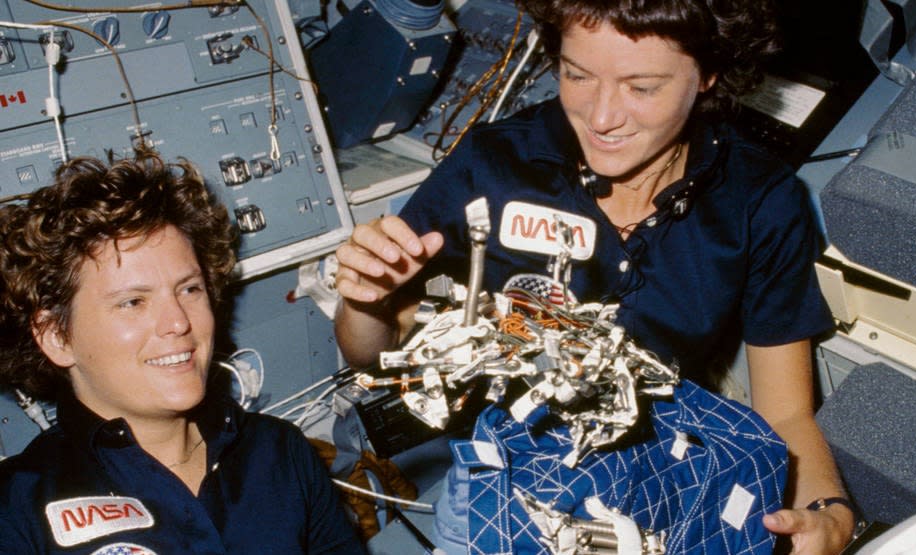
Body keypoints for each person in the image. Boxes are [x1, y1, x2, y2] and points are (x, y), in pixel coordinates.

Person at [334, 0, 856, 553]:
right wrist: (366, 301)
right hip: (504, 484)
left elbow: (786, 414)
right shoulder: (495, 162)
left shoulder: (760, 200)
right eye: (576, 75)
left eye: (642, 87)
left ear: (708, 74)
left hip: (662, 482)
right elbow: (371, 352)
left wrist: (832, 516)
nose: (602, 116)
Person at [0, 151, 364, 554]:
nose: (178, 322)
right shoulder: (17, 512)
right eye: (133, 302)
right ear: (56, 336)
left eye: (189, 289)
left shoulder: (278, 451)